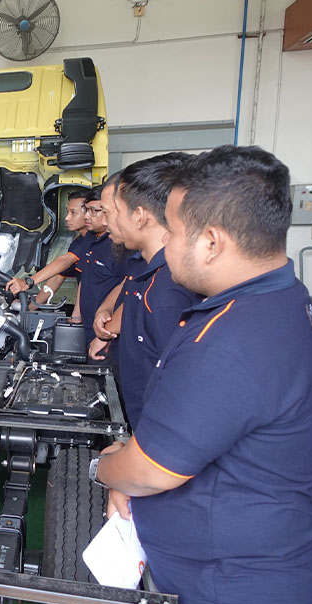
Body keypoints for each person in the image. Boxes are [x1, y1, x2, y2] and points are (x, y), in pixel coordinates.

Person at [92, 146, 312, 604]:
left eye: (174, 233)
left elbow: (153, 470)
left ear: (211, 241)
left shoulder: (230, 339)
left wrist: (107, 467)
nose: (166, 246)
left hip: (236, 591)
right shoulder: (280, 299)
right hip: (276, 557)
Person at [89, 154, 199, 423]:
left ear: (139, 216)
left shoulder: (168, 293)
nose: (108, 222)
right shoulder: (150, 272)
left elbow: (179, 396)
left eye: (111, 211)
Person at [6, 189, 90, 306]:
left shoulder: (93, 241)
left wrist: (28, 282)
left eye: (73, 213)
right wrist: (29, 309)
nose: (67, 218)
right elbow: (58, 277)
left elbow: (65, 261)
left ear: (88, 214)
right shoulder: (79, 242)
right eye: (67, 212)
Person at [75, 185, 124, 348]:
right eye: (86, 210)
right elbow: (84, 277)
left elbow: (128, 290)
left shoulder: (119, 245)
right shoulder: (90, 238)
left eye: (94, 211)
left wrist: (106, 335)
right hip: (89, 325)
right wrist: (77, 312)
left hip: (107, 330)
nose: (87, 216)